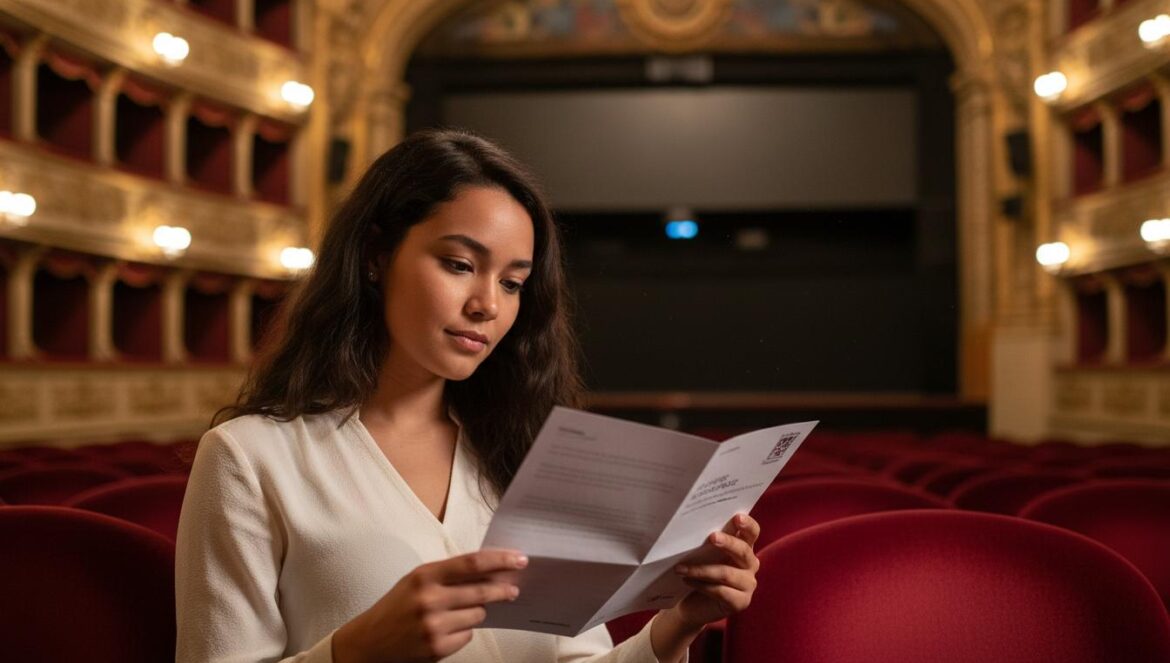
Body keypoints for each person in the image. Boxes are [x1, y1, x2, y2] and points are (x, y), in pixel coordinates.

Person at [174, 128, 762, 663]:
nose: (488, 304)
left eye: (512, 283)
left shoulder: (531, 450)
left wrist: (676, 625)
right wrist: (355, 653)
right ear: (377, 256)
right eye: (459, 264)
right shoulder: (248, 458)